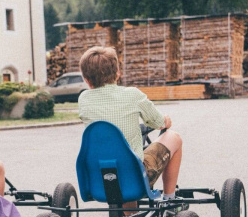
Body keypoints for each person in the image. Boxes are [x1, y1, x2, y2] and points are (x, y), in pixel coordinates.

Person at [77, 46, 183, 200]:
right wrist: (165, 121)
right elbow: (158, 122)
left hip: (99, 178)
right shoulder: (133, 95)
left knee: (118, 156)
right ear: (117, 73)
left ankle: (130, 212)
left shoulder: (83, 99)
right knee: (174, 137)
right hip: (136, 179)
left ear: (86, 80)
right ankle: (169, 198)